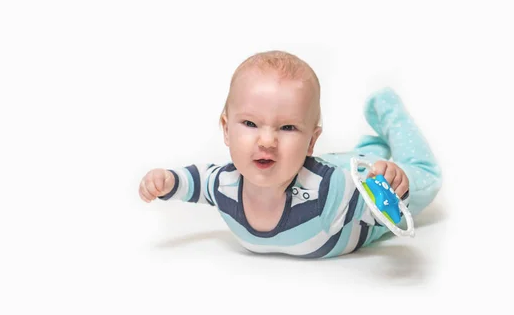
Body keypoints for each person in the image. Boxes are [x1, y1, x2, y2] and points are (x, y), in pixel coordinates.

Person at [138, 51, 442, 258]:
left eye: (287, 127)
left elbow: (384, 211)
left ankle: (390, 114)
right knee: (360, 157)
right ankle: (371, 147)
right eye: (250, 123)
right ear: (226, 129)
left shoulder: (332, 192)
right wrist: (167, 181)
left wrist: (394, 185)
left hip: (342, 181)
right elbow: (196, 181)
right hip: (327, 165)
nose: (267, 140)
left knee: (422, 174)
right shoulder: (224, 184)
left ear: (311, 141)